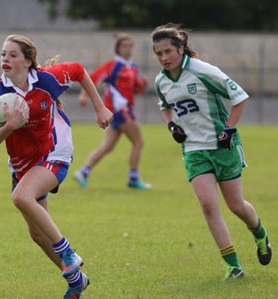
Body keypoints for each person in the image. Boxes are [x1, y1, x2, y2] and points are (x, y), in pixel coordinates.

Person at [0, 34, 113, 299]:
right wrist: (9, 126)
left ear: (29, 61)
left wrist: (100, 108)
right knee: (37, 234)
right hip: (22, 164)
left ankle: (67, 253)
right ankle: (76, 280)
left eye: (13, 55)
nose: (5, 59)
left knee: (20, 197)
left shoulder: (46, 80)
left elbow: (78, 70)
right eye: (3, 54)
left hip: (55, 151)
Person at [151, 23, 272, 279]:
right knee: (208, 206)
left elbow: (239, 97)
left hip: (222, 146)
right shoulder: (161, 80)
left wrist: (229, 129)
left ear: (181, 49)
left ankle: (260, 235)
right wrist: (172, 125)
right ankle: (233, 266)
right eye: (158, 53)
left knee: (236, 206)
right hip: (194, 150)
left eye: (167, 51)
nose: (163, 58)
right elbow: (164, 106)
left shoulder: (203, 71)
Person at [74, 33, 151, 189]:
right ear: (118, 48)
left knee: (107, 146)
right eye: (125, 46)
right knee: (138, 142)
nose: (128, 49)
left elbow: (137, 87)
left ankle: (83, 171)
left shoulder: (132, 66)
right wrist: (83, 95)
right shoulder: (113, 65)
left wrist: (143, 83)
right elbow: (92, 78)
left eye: (130, 46)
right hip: (121, 110)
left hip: (122, 110)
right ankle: (133, 178)